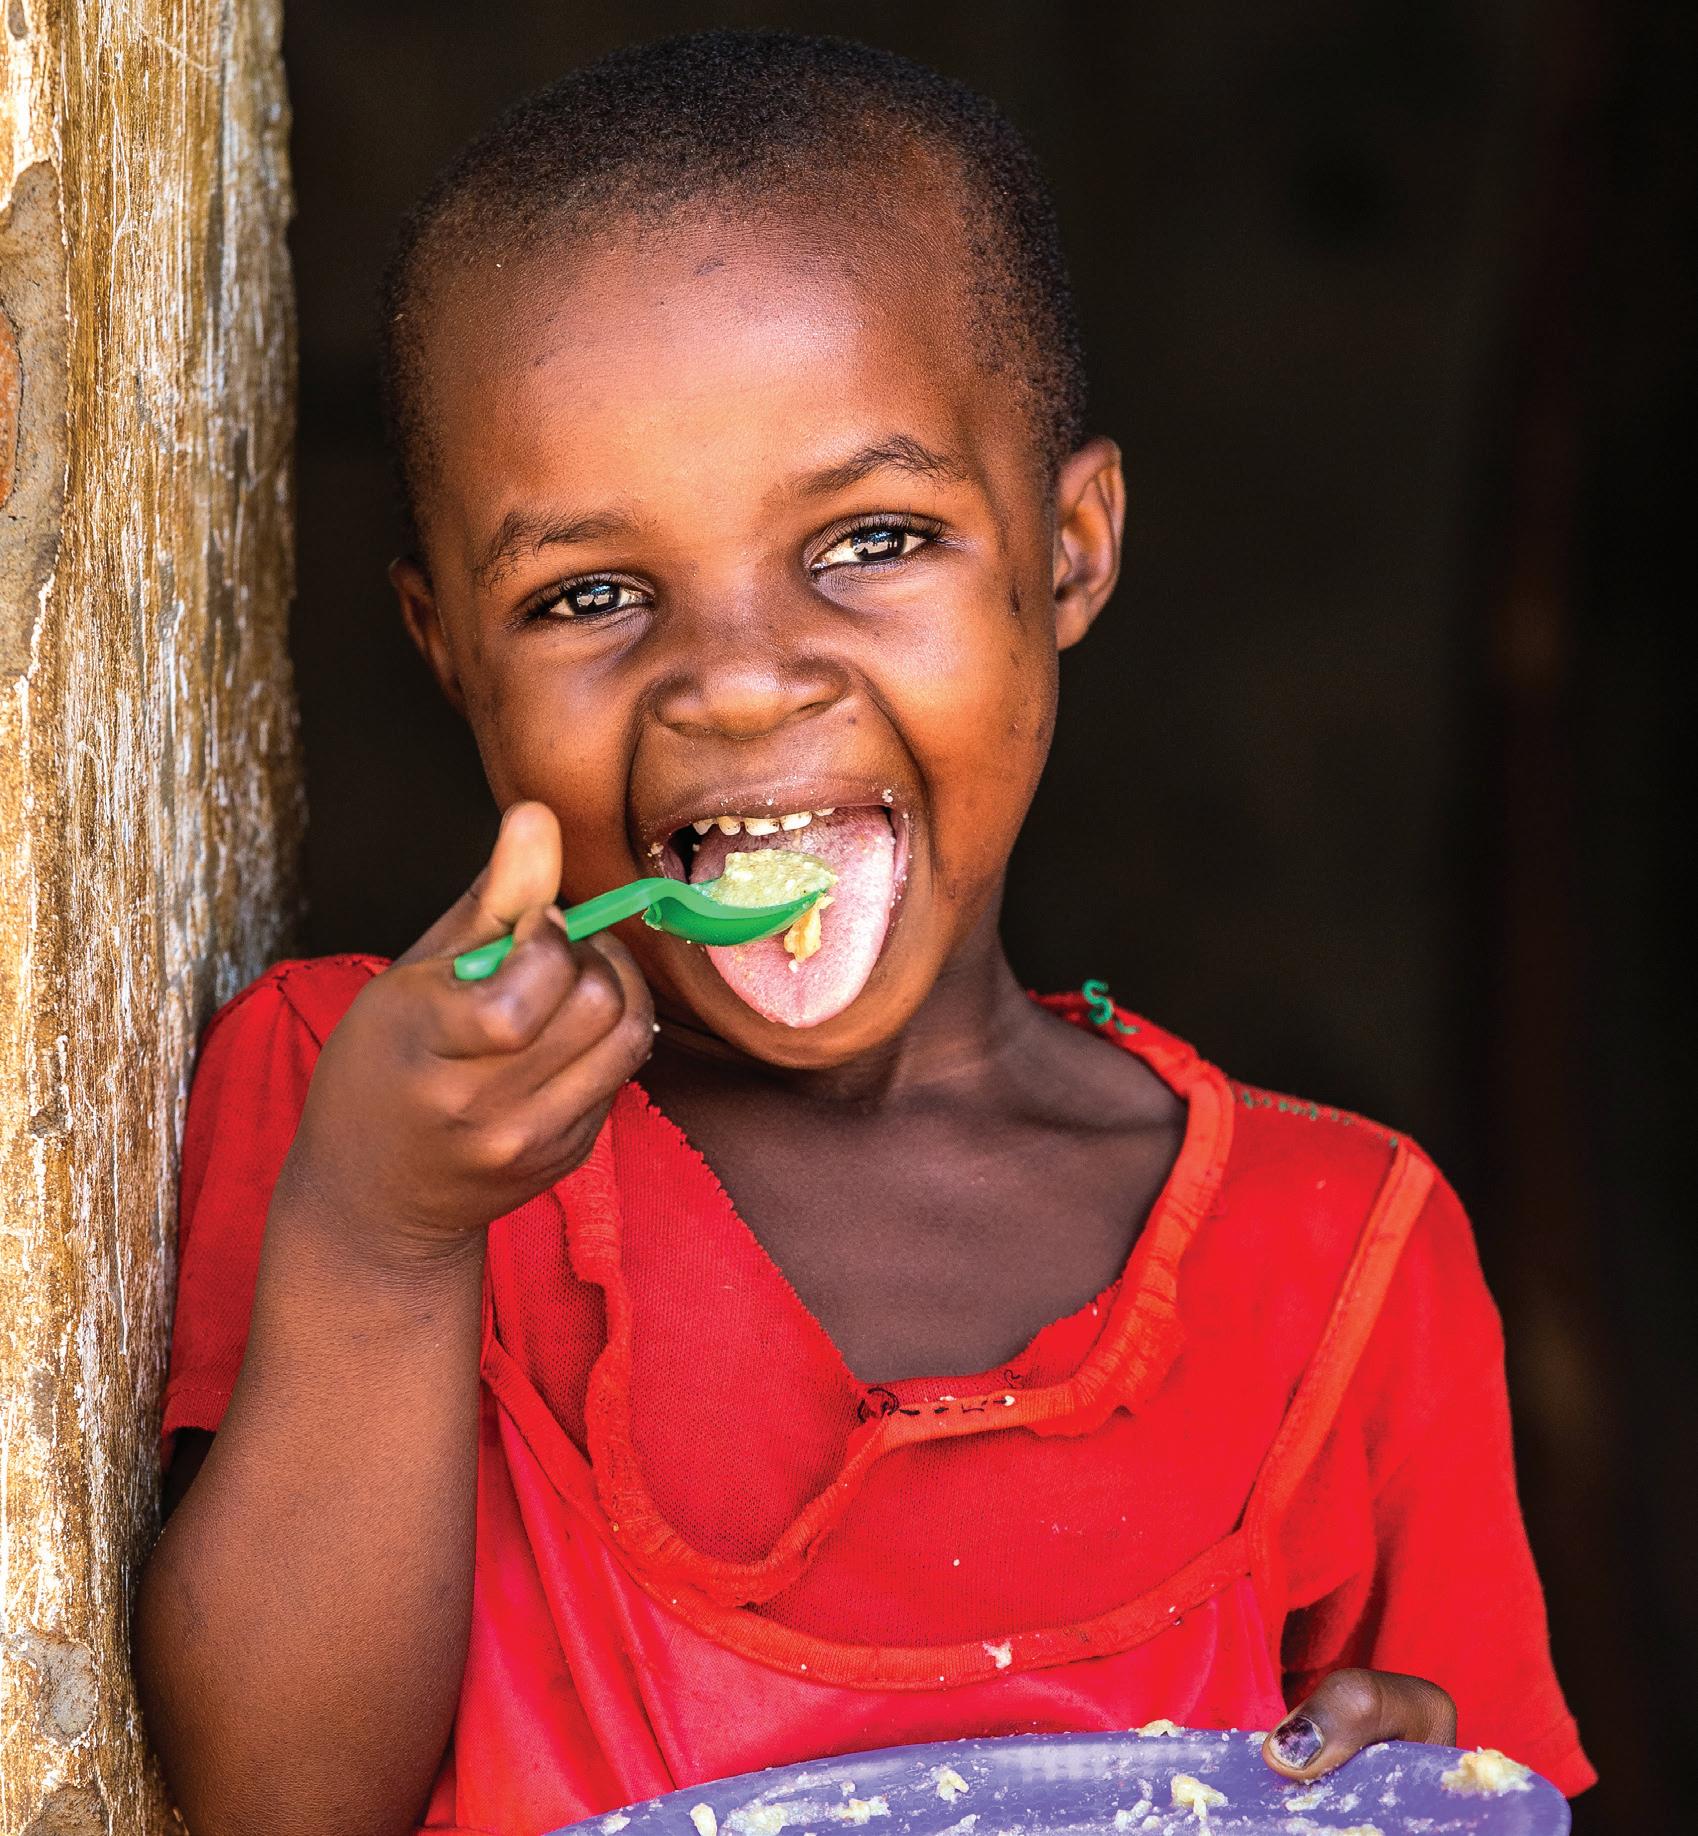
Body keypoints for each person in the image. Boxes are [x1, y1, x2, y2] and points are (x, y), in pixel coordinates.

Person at [133, 30, 1592, 1836]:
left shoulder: (1342, 1248)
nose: (740, 681)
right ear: (448, 650)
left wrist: (1402, 1781)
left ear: (1067, 549)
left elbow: (1473, 1777)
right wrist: (383, 1238)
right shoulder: (365, 1109)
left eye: (871, 540)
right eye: (593, 594)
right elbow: (280, 1803)